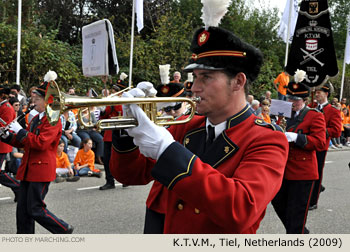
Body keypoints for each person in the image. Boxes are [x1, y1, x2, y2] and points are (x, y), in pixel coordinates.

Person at [109, 23, 289, 233]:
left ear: (238, 82)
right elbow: (132, 175)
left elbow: (241, 209)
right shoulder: (187, 125)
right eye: (195, 78)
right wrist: (127, 130)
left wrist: (167, 150)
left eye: (206, 77)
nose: (194, 87)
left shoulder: (267, 139)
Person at [0, 74, 74, 234]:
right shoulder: (36, 119)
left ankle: (63, 229)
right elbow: (25, 142)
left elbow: (41, 143)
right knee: (23, 212)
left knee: (35, 208)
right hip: (29, 168)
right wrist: (7, 136)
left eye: (38, 99)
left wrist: (20, 131)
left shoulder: (53, 120)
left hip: (41, 170)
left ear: (47, 101)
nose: (34, 102)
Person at [272, 71, 326, 234]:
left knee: (296, 216)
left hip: (302, 173)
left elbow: (320, 142)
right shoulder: (281, 111)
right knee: (279, 205)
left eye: (295, 100)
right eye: (289, 98)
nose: (291, 102)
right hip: (281, 170)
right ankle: (301, 233)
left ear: (304, 100)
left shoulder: (314, 116)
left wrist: (297, 137)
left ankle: (297, 237)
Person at [308, 83, 342, 210]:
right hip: (308, 144)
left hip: (321, 147)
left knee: (316, 174)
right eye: (315, 92)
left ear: (326, 94)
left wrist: (321, 131)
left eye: (319, 92)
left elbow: (337, 131)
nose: (316, 94)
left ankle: (313, 201)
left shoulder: (333, 111)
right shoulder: (310, 107)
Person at [0, 85, 20, 202]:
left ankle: (18, 187)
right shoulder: (3, 106)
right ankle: (17, 188)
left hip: (2, 144)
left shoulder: (6, 108)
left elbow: (4, 128)